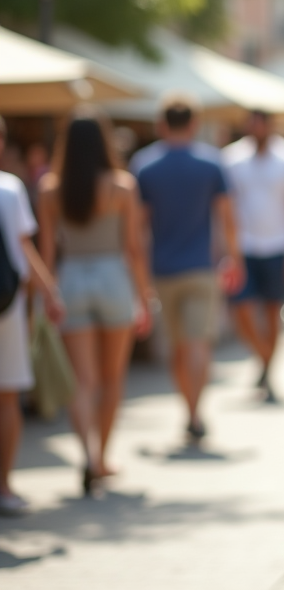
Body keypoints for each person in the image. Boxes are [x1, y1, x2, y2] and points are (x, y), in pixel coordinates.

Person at [37, 108, 155, 496]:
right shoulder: (122, 185)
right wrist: (143, 295)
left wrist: (48, 296)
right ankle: (102, 458)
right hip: (114, 279)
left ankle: (86, 456)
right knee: (111, 378)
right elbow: (134, 248)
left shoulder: (51, 189)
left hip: (71, 279)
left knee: (82, 381)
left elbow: (48, 253)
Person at [132, 94, 244, 442]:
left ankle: (188, 409)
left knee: (177, 346)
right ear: (194, 123)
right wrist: (234, 258)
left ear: (162, 124)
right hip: (201, 267)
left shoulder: (144, 166)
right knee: (199, 344)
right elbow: (227, 219)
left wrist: (139, 281)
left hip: (162, 269)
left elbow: (136, 231)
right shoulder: (211, 164)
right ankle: (196, 412)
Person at [222, 110, 284, 403]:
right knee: (240, 309)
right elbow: (225, 208)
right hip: (244, 248)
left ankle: (267, 370)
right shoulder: (231, 158)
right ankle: (264, 359)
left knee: (273, 311)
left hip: (278, 246)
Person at [0, 116, 64, 516]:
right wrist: (50, 294)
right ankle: (3, 487)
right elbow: (25, 248)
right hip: (7, 307)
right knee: (7, 397)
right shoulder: (9, 188)